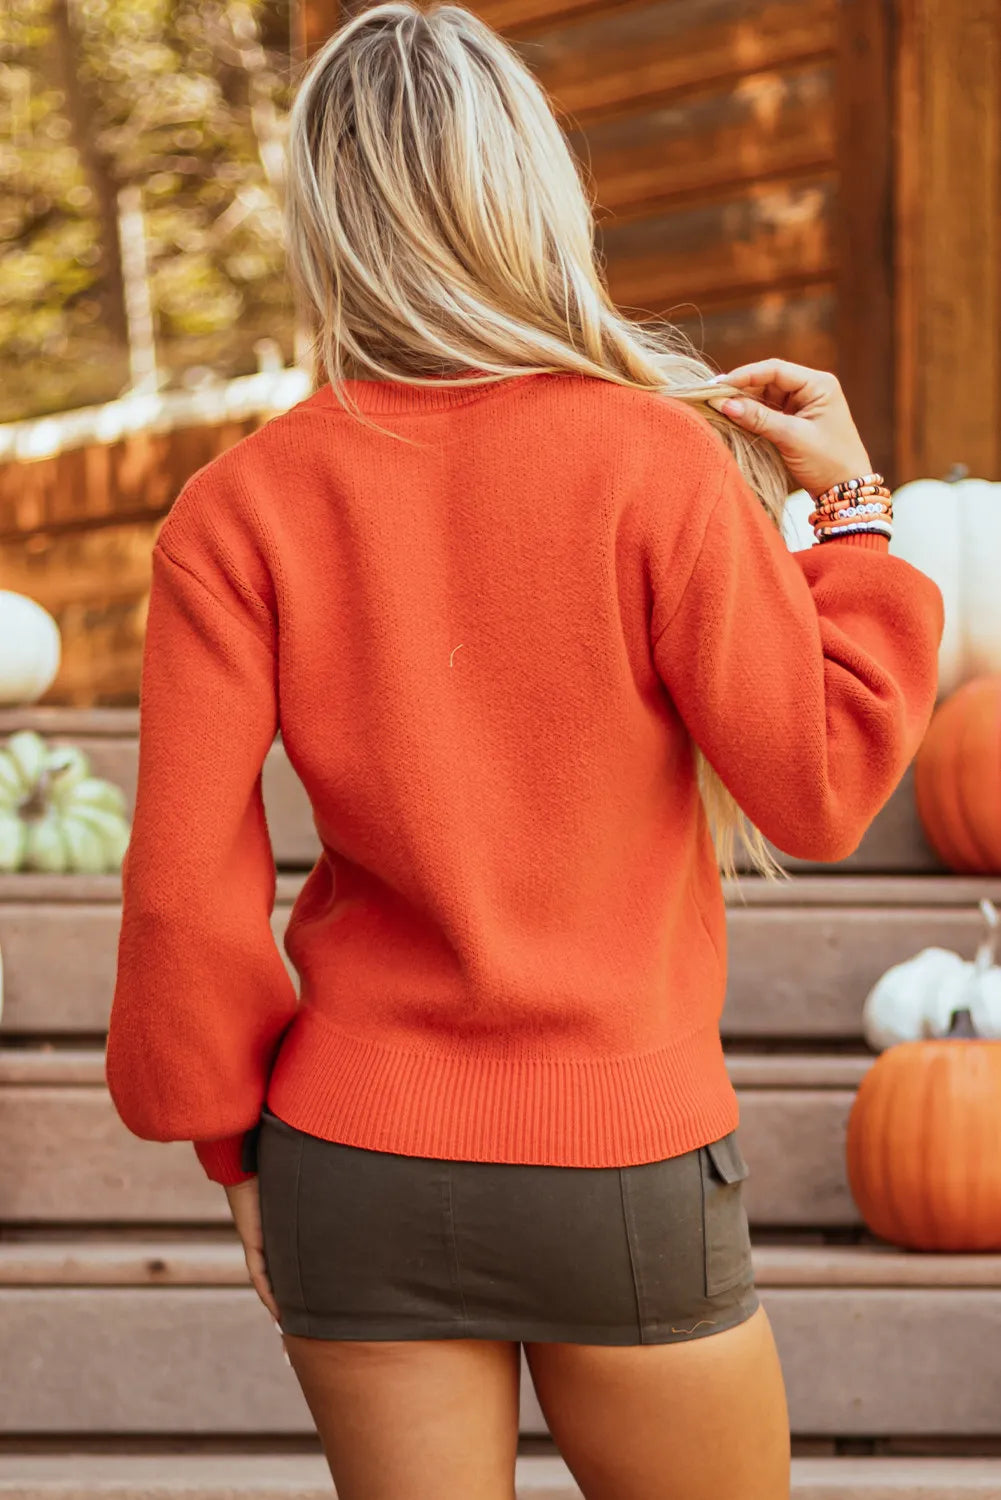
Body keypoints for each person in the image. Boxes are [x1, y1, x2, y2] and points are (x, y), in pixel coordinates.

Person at [104, 4, 944, 1497]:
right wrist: (855, 518)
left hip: (345, 1152)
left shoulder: (238, 506)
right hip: (621, 1155)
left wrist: (227, 1148)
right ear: (531, 194)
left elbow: (180, 892)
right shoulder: (655, 460)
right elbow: (819, 786)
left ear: (328, 218)